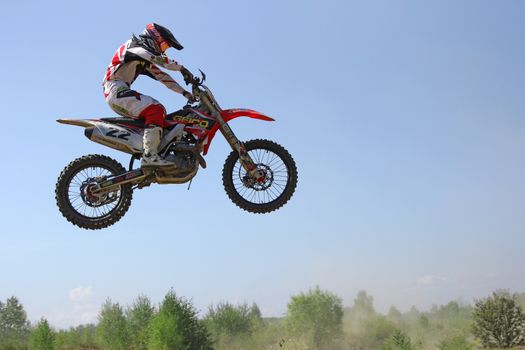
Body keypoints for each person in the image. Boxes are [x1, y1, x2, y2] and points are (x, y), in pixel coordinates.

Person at [102, 23, 194, 168]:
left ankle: (157, 150)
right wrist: (182, 68)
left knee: (161, 117)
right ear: (154, 38)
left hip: (117, 91)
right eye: (164, 46)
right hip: (115, 89)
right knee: (156, 109)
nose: (163, 50)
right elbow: (158, 59)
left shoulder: (142, 57)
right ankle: (150, 156)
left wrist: (185, 93)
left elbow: (163, 77)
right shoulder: (133, 48)